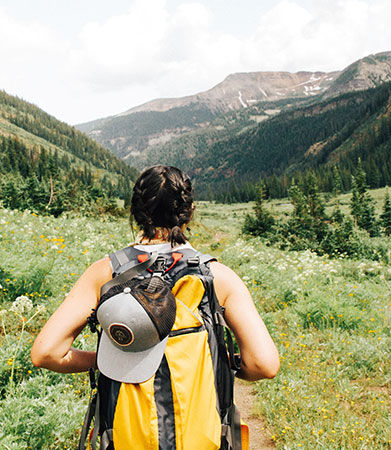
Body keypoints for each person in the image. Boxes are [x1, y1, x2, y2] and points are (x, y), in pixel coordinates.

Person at [31, 165, 279, 448]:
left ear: (135, 211)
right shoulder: (218, 277)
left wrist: (105, 360)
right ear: (189, 211)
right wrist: (224, 363)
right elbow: (264, 364)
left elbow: (45, 353)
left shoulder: (105, 273)